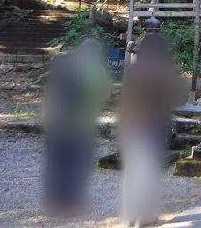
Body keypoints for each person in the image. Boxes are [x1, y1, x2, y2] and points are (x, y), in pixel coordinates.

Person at [119, 32, 183, 227]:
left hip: (130, 123)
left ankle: (128, 216)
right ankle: (144, 215)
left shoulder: (133, 69)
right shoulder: (162, 71)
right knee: (146, 171)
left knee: (131, 171)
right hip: (152, 124)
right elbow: (173, 99)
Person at [43, 38, 111, 217]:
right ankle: (72, 202)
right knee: (78, 163)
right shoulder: (93, 69)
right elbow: (102, 92)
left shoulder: (64, 64)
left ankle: (54, 202)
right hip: (77, 123)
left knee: (56, 163)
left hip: (53, 121)